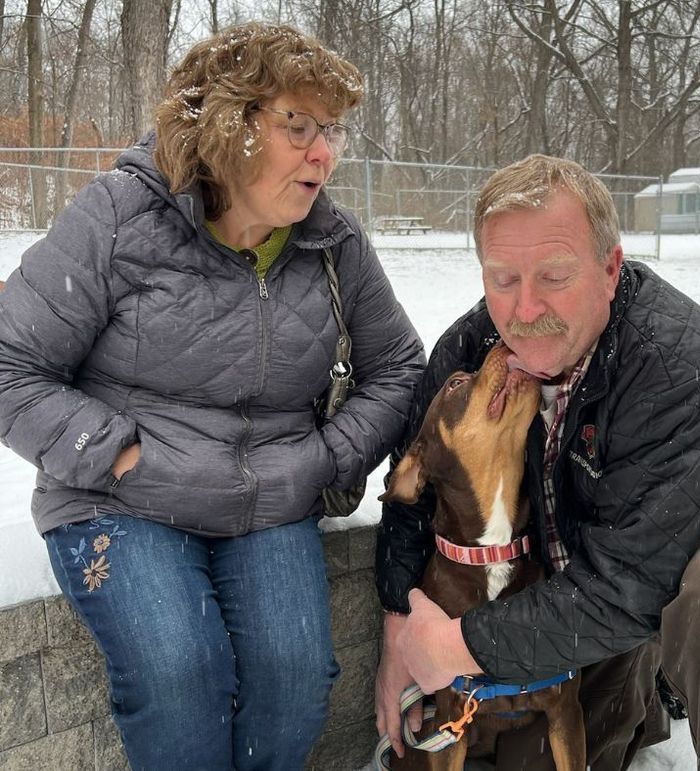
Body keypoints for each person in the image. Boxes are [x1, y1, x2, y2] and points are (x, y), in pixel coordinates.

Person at [0, 22, 424, 771]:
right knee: (178, 672)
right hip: (122, 497)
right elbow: (11, 362)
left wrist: (326, 456)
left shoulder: (334, 241)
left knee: (296, 682)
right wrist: (119, 452)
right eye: (299, 125)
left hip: (269, 494)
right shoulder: (120, 214)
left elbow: (398, 366)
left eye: (331, 130)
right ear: (229, 124)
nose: (323, 152)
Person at [375, 154, 700, 770]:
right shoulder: (473, 353)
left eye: (553, 275)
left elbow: (632, 583)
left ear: (610, 269)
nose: (524, 310)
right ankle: (642, 689)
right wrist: (402, 628)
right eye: (503, 278)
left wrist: (457, 645)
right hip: (573, 590)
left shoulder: (678, 364)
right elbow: (411, 491)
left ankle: (685, 686)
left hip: (695, 563)